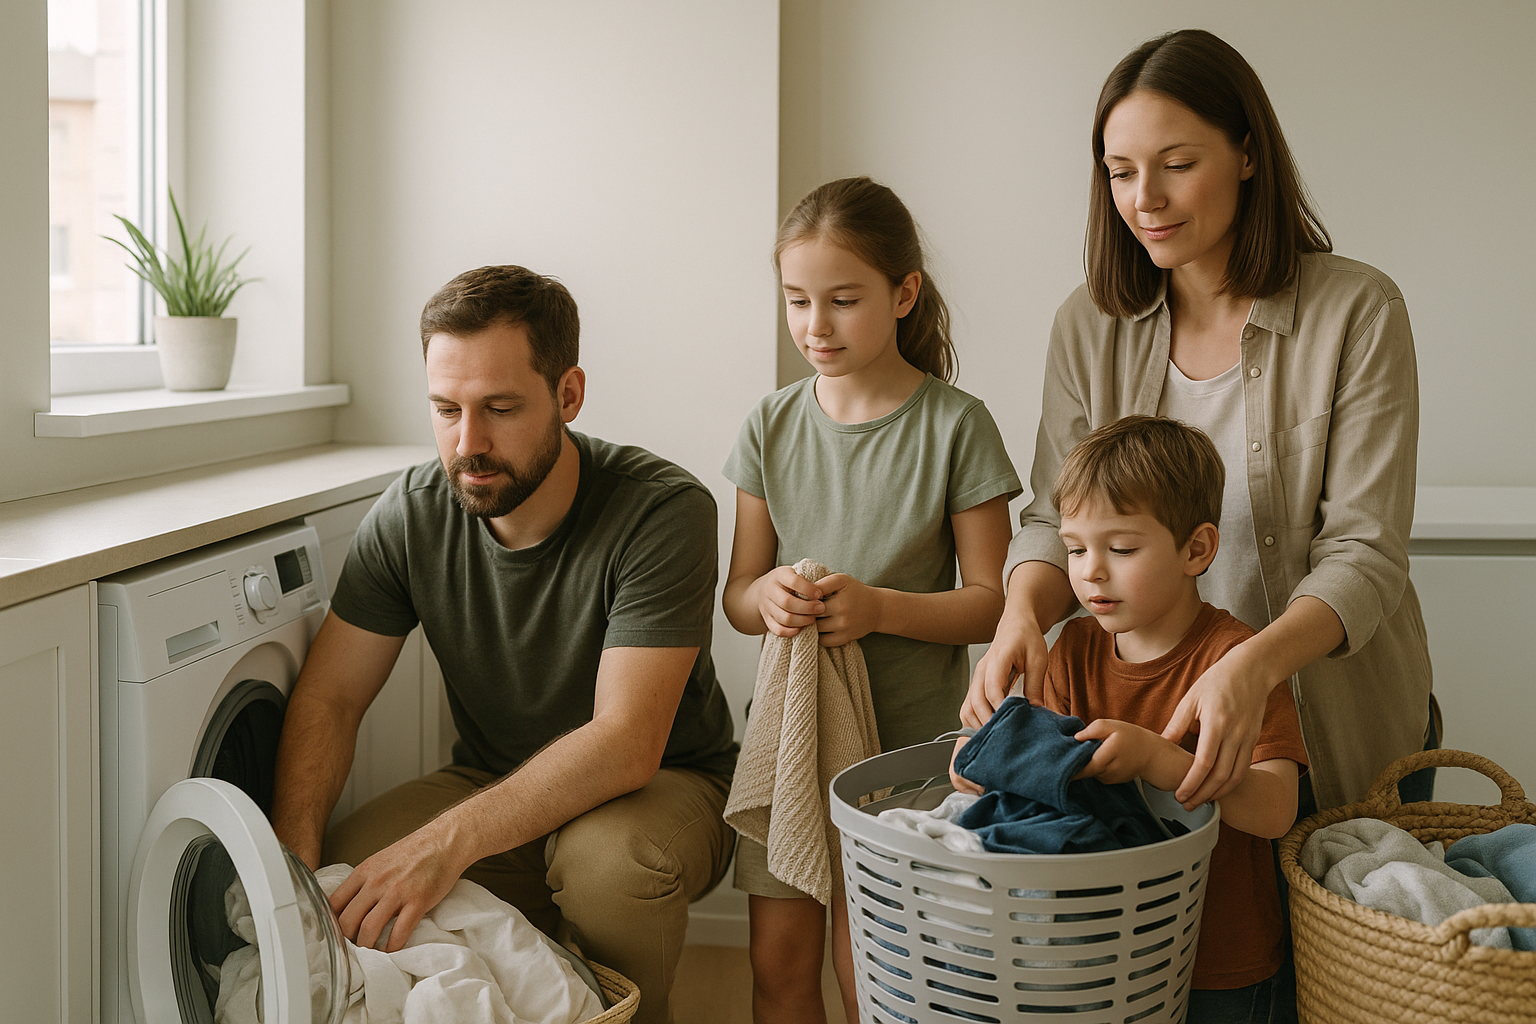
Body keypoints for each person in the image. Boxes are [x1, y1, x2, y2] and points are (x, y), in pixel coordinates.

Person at [964, 28, 1434, 819]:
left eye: (1177, 165)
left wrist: (1251, 667)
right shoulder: (1089, 325)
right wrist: (1022, 614)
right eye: (1120, 172)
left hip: (1330, 726)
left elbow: (1365, 552)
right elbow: (1053, 514)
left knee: (1305, 945)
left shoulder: (1357, 310)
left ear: (1248, 154)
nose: (1145, 197)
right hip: (1157, 733)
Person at [270, 265, 739, 1024]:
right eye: (446, 409)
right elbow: (331, 695)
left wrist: (446, 844)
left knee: (607, 867)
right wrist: (291, 871)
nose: (469, 442)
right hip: (494, 775)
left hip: (666, 786)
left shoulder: (662, 509)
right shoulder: (411, 515)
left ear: (569, 395)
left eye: (500, 408)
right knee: (352, 871)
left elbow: (627, 743)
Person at [721, 176, 1020, 1023]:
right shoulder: (769, 427)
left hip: (910, 756)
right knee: (777, 966)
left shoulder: (955, 425)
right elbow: (737, 595)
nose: (816, 326)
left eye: (843, 301)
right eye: (797, 301)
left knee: (881, 971)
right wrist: (769, 598)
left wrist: (881, 609)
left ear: (903, 293)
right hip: (791, 743)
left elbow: (993, 604)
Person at [953, 415, 1308, 1023]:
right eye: (1074, 548)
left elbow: (1278, 811)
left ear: (1196, 549)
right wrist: (986, 761)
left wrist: (1157, 761)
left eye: (1120, 548)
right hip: (1101, 956)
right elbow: (1045, 796)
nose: (1090, 570)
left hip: (1219, 958)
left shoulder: (1234, 660)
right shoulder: (1072, 650)